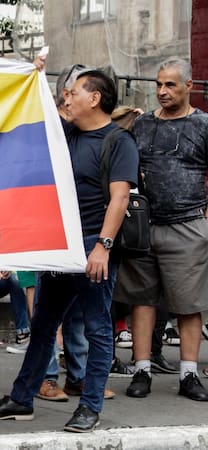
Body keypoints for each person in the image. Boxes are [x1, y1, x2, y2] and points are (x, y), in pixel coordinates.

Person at [0, 68, 138, 433]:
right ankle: (22, 398)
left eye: (74, 92)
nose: (67, 97)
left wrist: (102, 247)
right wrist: (33, 75)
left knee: (97, 328)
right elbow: (36, 119)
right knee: (44, 324)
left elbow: (120, 197)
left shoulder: (118, 141)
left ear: (94, 98)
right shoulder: (69, 134)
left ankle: (90, 406)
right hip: (61, 247)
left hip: (93, 246)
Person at [114, 58, 208, 402]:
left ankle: (188, 375)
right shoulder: (142, 125)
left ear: (189, 85)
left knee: (188, 305)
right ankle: (142, 370)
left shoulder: (203, 125)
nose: (162, 91)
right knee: (142, 301)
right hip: (142, 228)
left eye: (170, 84)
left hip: (188, 227)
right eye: (158, 84)